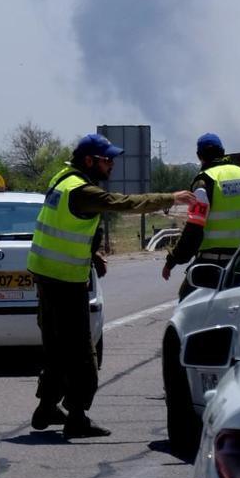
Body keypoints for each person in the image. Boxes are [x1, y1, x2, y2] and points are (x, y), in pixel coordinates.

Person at [27, 132, 196, 439]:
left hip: (46, 275)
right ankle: (77, 416)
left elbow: (63, 223)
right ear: (89, 161)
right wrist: (170, 198)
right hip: (65, 281)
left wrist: (91, 253)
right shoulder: (84, 191)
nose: (112, 166)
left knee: (56, 346)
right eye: (107, 161)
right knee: (82, 352)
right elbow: (126, 204)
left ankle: (47, 406)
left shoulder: (62, 180)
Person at [161, 133, 240, 299]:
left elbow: (194, 228)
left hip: (211, 265)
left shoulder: (205, 182)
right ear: (223, 152)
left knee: (186, 306)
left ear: (199, 156)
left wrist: (173, 260)